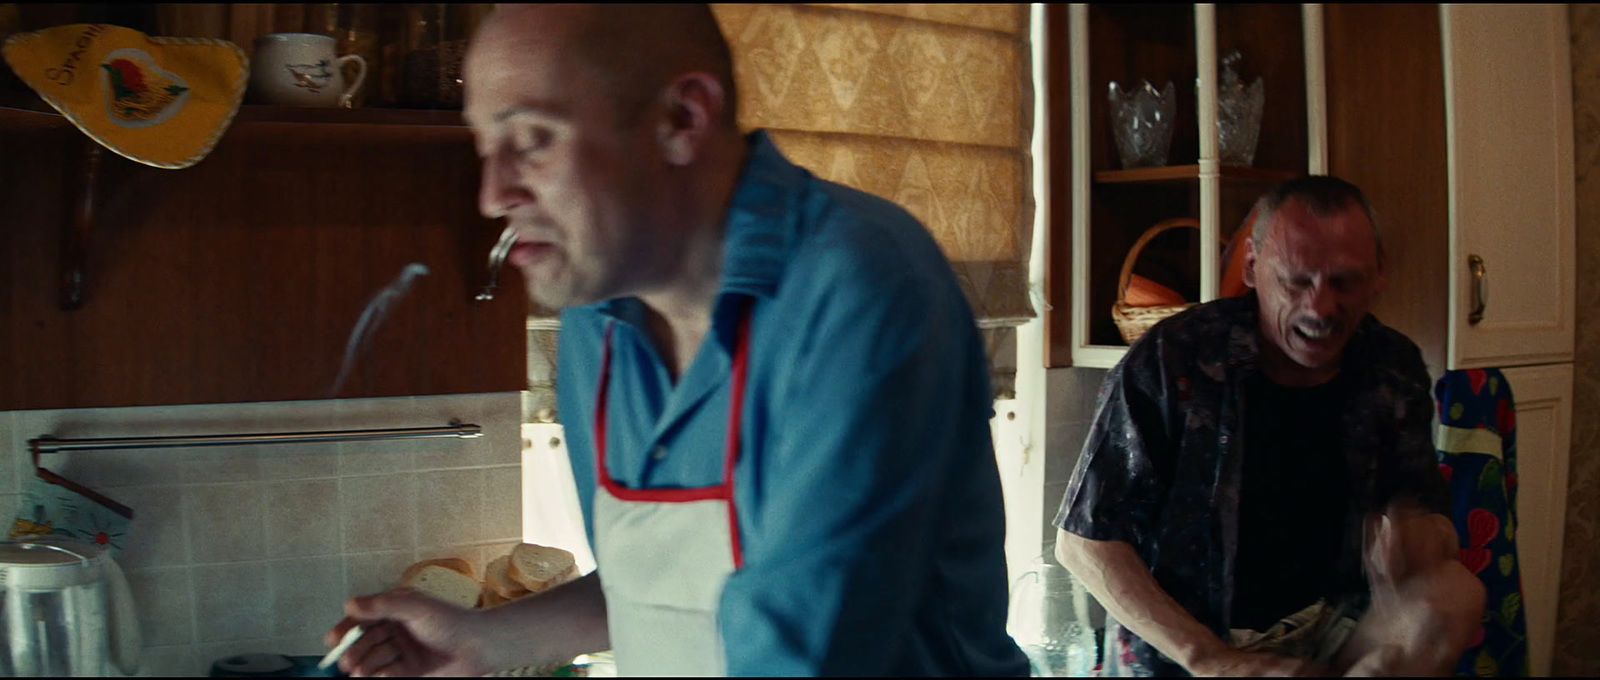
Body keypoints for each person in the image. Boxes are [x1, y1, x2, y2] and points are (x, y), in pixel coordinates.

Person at [325, 4, 1029, 677]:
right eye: (485, 146)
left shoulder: (856, 287)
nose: (492, 193)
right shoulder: (595, 320)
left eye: (533, 138)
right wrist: (482, 641)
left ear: (681, 118)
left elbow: (807, 646)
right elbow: (658, 590)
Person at [1053, 176, 1485, 676]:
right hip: (1193, 645)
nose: (1320, 308)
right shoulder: (1175, 358)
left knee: (1455, 595)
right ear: (1254, 269)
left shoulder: (1392, 366)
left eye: (1343, 282)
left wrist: (1421, 542)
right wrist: (1212, 660)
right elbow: (1084, 543)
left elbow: (1433, 520)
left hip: (1337, 630)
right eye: (1297, 281)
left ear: (1378, 275)